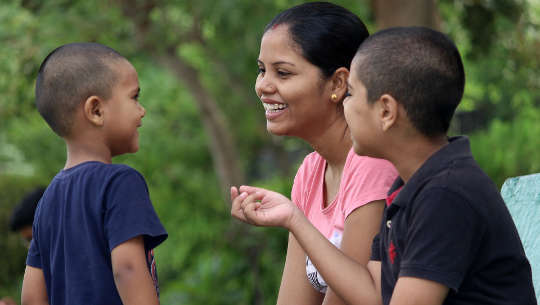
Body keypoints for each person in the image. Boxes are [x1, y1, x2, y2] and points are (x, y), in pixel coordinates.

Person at [232, 27, 537, 305]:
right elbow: (370, 294)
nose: (344, 106)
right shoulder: (408, 187)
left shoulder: (447, 194)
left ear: (387, 111)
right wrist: (294, 219)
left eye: (351, 94)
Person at [231, 2, 397, 304]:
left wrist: (294, 219)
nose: (262, 86)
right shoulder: (311, 170)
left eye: (282, 73)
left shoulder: (372, 165)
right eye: (261, 70)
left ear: (337, 83)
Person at [21, 43, 168, 305]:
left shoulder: (46, 203)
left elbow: (32, 297)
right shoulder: (120, 183)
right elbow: (128, 269)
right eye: (134, 97)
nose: (141, 110)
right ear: (96, 111)